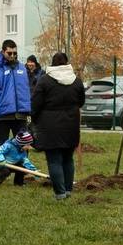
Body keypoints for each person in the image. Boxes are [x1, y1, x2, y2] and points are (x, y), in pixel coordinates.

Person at [31, 51, 85, 201]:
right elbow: (81, 102)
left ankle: (60, 193)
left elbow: (35, 104)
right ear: (67, 63)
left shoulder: (44, 81)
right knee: (68, 158)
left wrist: (34, 119)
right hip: (71, 124)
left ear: (52, 63)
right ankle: (68, 190)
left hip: (50, 126)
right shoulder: (76, 81)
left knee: (54, 160)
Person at [0, 40, 32, 187]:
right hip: (3, 115)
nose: (12, 55)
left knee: (23, 148)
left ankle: (19, 180)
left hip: (21, 115)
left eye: (15, 53)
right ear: (3, 52)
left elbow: (26, 90)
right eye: (9, 53)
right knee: (3, 149)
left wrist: (28, 111)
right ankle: (2, 173)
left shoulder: (22, 68)